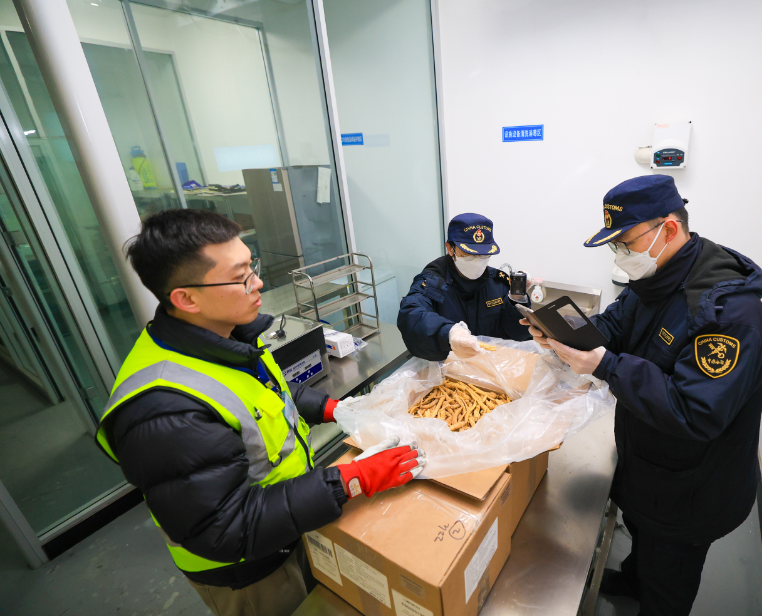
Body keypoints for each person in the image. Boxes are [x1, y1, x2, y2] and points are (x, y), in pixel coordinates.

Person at [94, 209, 426, 616]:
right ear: (186, 298)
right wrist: (349, 480)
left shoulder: (225, 335)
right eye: (241, 277)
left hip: (291, 520)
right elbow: (225, 528)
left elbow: (268, 394)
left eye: (253, 267)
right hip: (251, 569)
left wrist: (334, 408)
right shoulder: (162, 411)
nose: (258, 283)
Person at [522, 175, 762, 616]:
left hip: (690, 493)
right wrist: (565, 335)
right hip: (649, 465)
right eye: (614, 246)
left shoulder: (729, 315)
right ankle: (633, 579)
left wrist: (605, 365)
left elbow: (694, 411)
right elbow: (614, 327)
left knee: (667, 581)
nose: (621, 256)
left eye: (626, 243)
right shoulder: (655, 278)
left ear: (669, 229)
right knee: (641, 537)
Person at [398, 213, 534, 360]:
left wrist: (516, 299)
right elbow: (411, 315)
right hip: (448, 368)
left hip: (490, 365)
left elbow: (513, 337)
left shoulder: (497, 282)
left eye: (484, 255)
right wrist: (449, 333)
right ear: (450, 249)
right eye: (469, 254)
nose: (477, 261)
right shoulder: (433, 282)